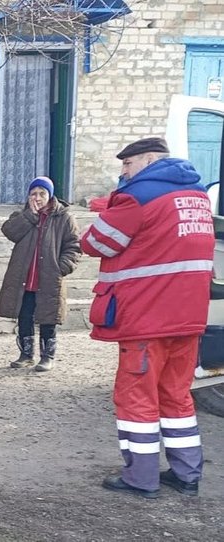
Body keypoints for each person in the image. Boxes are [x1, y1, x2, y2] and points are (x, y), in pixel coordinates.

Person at [81, 137, 214, 499]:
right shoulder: (198, 196)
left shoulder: (138, 196)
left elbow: (96, 243)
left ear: (149, 160)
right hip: (188, 317)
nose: (123, 172)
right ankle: (187, 475)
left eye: (128, 164)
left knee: (136, 397)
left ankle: (140, 477)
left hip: (147, 317)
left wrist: (110, 206)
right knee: (177, 396)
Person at [0, 176, 81, 371]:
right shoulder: (22, 216)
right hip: (25, 278)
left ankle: (47, 356)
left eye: (42, 193)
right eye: (33, 194)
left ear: (50, 196)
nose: (38, 198)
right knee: (24, 316)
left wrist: (62, 267)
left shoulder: (64, 218)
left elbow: (74, 246)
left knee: (48, 317)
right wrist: (30, 216)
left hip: (49, 277)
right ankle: (26, 355)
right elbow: (10, 232)